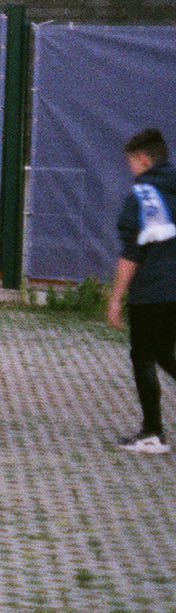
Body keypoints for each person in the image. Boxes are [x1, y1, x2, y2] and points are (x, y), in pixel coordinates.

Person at [106, 128, 176, 454]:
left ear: (143, 160)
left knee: (143, 357)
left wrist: (116, 298)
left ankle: (152, 433)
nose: (130, 171)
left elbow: (132, 253)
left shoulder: (142, 195)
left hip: (152, 290)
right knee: (164, 352)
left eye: (131, 164)